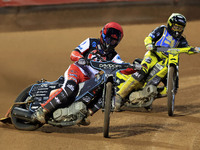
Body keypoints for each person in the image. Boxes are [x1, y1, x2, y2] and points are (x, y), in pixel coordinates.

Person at [32, 22, 135, 124]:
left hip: (89, 80)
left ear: (117, 42)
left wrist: (135, 68)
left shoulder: (113, 55)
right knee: (70, 88)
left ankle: (84, 114)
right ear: (102, 35)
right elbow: (74, 53)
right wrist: (80, 58)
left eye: (113, 41)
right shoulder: (91, 42)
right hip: (77, 70)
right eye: (108, 39)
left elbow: (122, 67)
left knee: (104, 92)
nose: (109, 42)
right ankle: (42, 111)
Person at [114, 13, 199, 111]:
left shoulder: (181, 40)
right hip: (153, 55)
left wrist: (195, 49)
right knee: (142, 71)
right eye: (176, 27)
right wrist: (149, 44)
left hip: (167, 60)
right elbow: (149, 37)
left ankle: (148, 96)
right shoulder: (162, 30)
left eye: (180, 28)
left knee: (171, 86)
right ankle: (119, 96)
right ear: (170, 24)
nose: (177, 30)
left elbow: (187, 48)